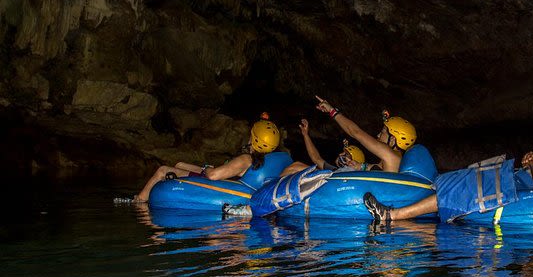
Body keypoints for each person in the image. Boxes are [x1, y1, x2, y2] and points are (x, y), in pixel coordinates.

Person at [364, 112, 533, 222]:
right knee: (469, 174)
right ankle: (415, 211)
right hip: (521, 181)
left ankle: (393, 216)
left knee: (465, 184)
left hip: (522, 189)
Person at [121, 113, 281, 203]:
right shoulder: (270, 159)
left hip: (218, 181)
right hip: (229, 178)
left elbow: (212, 175)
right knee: (180, 163)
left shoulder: (246, 159)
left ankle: (139, 201)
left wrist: (210, 169)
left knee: (163, 170)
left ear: (253, 139)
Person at [314, 96, 416, 173]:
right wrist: (358, 166)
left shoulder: (390, 155)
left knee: (297, 167)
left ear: (393, 139)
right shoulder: (393, 159)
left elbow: (355, 132)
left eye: (383, 132)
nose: (378, 135)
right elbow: (374, 169)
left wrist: (332, 111)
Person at [280, 118, 370, 176]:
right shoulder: (336, 170)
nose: (341, 155)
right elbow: (316, 158)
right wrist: (306, 135)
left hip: (334, 184)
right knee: (296, 165)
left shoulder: (353, 173)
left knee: (296, 167)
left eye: (346, 154)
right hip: (330, 181)